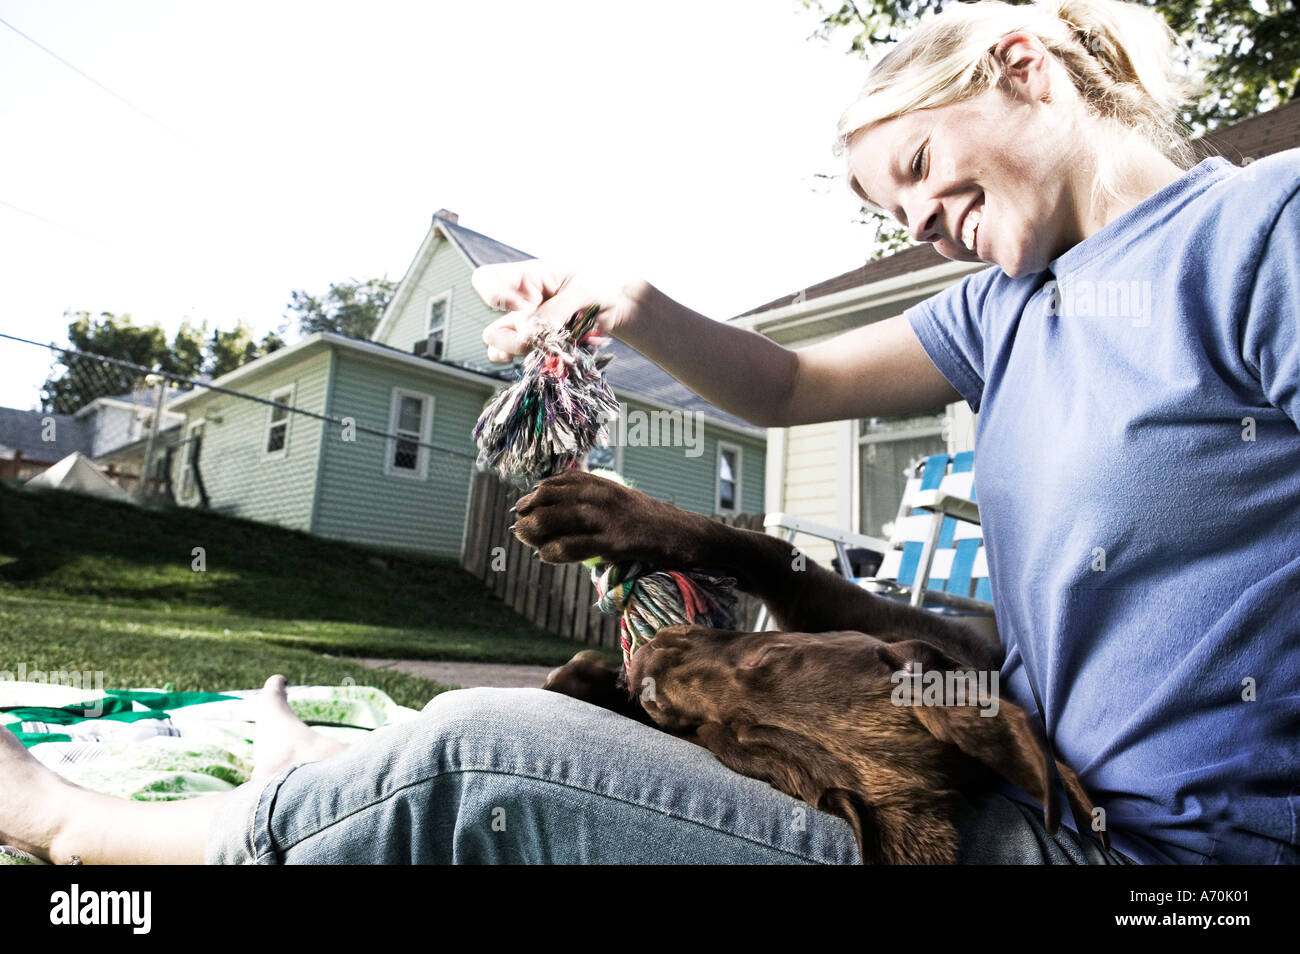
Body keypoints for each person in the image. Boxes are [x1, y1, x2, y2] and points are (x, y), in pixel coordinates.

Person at [1, 0, 1294, 865]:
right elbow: (786, 390)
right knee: (623, 711)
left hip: (1144, 858)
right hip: (1013, 773)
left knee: (476, 754)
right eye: (886, 209)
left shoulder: (1256, 237)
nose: (910, 221)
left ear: (1024, 67)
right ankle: (321, 773)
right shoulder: (1006, 310)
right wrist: (631, 304)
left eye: (911, 169)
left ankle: (69, 828)